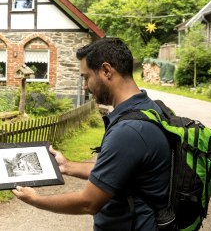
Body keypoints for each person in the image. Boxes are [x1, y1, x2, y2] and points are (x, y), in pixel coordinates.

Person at [12, 37, 171, 230]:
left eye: (86, 77)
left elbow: (89, 202)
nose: (85, 86)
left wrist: (35, 199)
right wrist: (67, 166)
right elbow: (118, 167)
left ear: (106, 71)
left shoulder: (129, 130)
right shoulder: (149, 108)